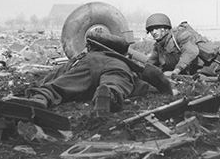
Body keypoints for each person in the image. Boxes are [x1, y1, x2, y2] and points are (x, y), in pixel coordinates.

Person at [15, 30, 173, 116]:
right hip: (117, 67)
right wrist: (166, 89)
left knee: (61, 85)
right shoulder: (123, 61)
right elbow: (154, 76)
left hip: (88, 66)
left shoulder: (84, 57)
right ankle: (108, 95)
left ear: (90, 46)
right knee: (116, 83)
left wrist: (40, 88)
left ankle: (41, 99)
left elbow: (59, 74)